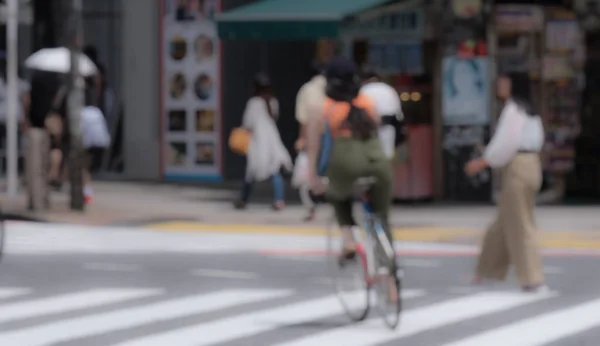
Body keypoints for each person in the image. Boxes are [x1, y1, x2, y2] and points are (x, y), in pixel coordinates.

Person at [306, 57, 396, 297]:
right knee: (381, 218)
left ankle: (347, 238)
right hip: (377, 162)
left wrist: (313, 178)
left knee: (337, 196)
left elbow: (313, 147)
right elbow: (376, 129)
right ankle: (390, 285)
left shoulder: (323, 107)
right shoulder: (368, 103)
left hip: (346, 163)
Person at [465, 72, 546, 292]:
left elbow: (505, 143)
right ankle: (486, 272)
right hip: (529, 166)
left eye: (504, 82)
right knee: (501, 225)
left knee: (519, 225)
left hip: (517, 167)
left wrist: (483, 161)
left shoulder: (514, 109)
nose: (499, 85)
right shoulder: (530, 110)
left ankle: (532, 279)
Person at [233, 73, 292, 210]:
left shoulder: (253, 103)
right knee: (275, 170)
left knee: (251, 172)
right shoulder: (272, 101)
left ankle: (244, 200)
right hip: (272, 140)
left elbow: (247, 124)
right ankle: (279, 200)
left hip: (258, 141)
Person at [359, 68, 404, 159]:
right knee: (386, 159)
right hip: (388, 128)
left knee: (369, 159)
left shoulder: (363, 90)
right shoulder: (389, 89)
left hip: (369, 130)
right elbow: (399, 117)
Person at [80, 87, 111, 204]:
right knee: (88, 169)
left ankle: (87, 193)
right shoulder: (97, 111)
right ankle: (87, 191)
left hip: (89, 143)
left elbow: (82, 131)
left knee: (84, 168)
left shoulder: (82, 113)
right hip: (100, 143)